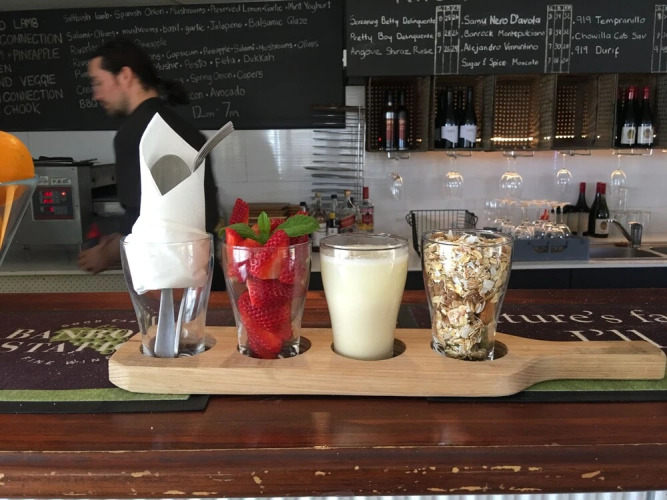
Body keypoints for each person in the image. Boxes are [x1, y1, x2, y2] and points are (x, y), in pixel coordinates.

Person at [78, 37, 224, 290]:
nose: (96, 94)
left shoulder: (136, 134)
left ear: (125, 76)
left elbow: (141, 217)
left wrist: (106, 253)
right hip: (205, 273)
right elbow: (196, 213)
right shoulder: (185, 130)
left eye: (98, 82)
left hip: (166, 280)